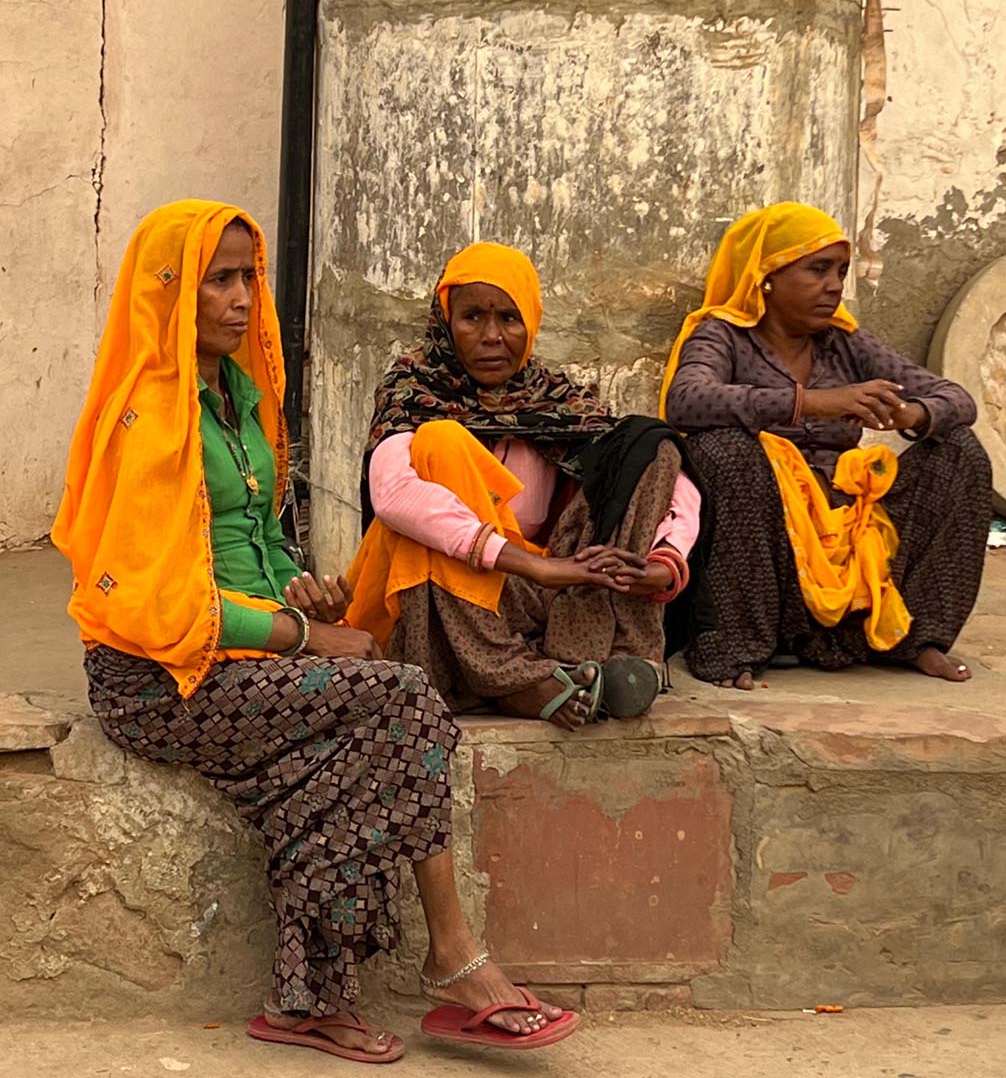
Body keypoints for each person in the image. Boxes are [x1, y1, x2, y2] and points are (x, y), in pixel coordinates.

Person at [52, 200, 579, 1061]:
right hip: (158, 677)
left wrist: (304, 599)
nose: (239, 298)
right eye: (217, 279)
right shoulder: (149, 419)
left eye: (247, 277)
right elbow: (158, 605)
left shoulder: (237, 392)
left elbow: (252, 539)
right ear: (169, 289)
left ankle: (308, 1002)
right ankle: (456, 960)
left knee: (336, 772)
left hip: (238, 653)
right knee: (401, 699)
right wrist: (304, 640)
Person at [345, 241, 702, 731]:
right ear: (446, 321)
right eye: (472, 318)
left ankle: (607, 654)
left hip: (535, 591)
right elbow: (395, 497)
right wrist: (536, 565)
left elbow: (668, 478)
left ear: (530, 323)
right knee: (439, 452)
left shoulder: (555, 397)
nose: (492, 336)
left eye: (509, 319)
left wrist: (665, 562)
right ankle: (515, 681)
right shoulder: (413, 391)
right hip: (438, 593)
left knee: (646, 442)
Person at [660, 201, 990, 690]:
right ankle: (736, 645)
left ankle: (918, 637)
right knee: (723, 449)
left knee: (958, 450)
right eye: (817, 270)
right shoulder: (722, 335)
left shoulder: (845, 343)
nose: (834, 286)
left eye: (840, 271)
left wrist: (912, 414)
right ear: (768, 276)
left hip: (848, 518)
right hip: (765, 533)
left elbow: (956, 398)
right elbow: (685, 401)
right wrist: (812, 403)